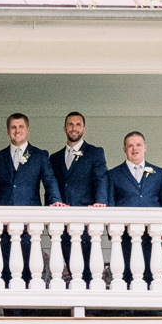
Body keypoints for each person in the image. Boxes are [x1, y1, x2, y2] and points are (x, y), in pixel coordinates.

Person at [0, 112, 61, 285]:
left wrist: (55, 200)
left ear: (27, 130)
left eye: (21, 127)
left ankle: (29, 311)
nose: (17, 130)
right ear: (8, 131)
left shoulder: (39, 155)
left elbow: (49, 180)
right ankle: (9, 311)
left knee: (30, 268)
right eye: (13, 127)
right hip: (3, 223)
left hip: (30, 223)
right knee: (4, 268)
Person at [50, 111, 110, 282]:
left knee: (89, 265)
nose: (73, 128)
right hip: (62, 220)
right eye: (70, 124)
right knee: (71, 263)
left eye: (77, 124)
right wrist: (54, 202)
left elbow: (101, 178)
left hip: (86, 218)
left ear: (84, 128)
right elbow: (51, 185)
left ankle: (92, 307)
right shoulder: (54, 158)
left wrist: (100, 202)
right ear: (64, 128)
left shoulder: (94, 152)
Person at [105, 130, 162, 286]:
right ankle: (127, 310)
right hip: (124, 235)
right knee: (125, 272)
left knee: (152, 273)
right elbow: (110, 203)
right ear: (124, 149)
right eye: (130, 145)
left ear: (145, 147)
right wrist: (111, 231)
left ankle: (154, 310)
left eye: (138, 145)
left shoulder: (158, 173)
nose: (135, 149)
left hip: (152, 234)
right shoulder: (113, 174)